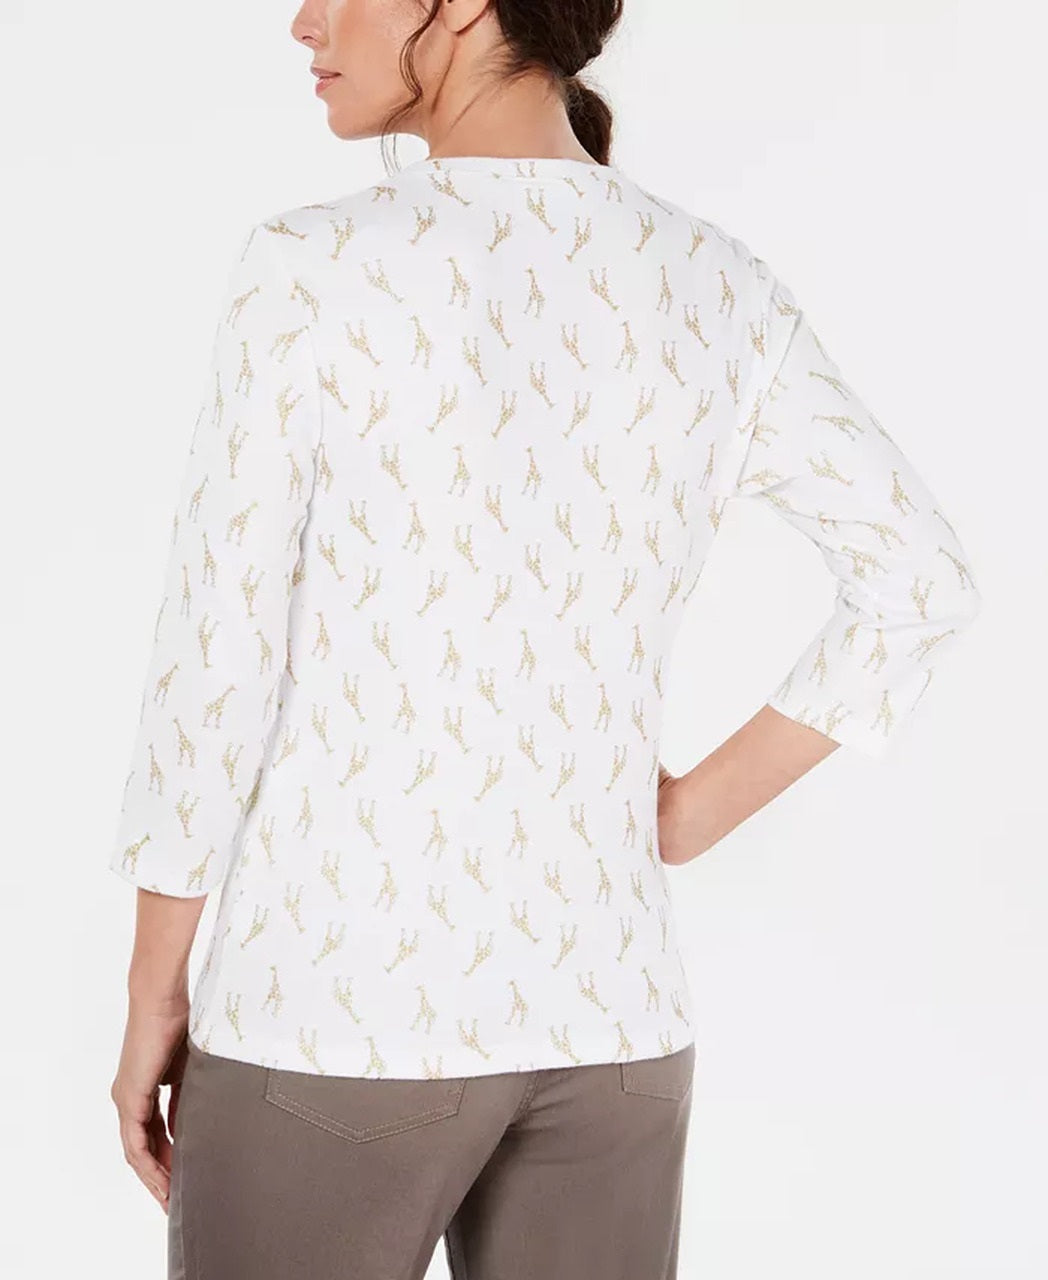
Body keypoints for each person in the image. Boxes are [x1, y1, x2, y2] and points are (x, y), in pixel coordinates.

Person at [107, 1, 983, 1277]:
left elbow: (213, 663)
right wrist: (682, 817)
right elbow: (918, 575)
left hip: (336, 1014)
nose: (303, 20)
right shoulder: (715, 283)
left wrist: (154, 993)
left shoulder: (311, 265)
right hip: (615, 1025)